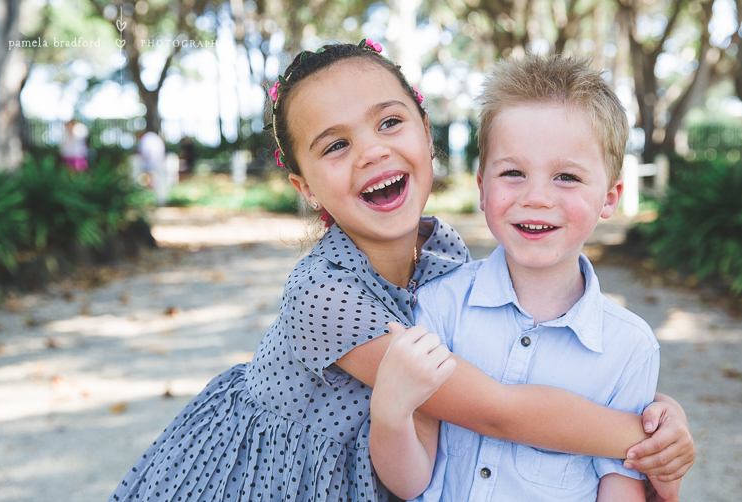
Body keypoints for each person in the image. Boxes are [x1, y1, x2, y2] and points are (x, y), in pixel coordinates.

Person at [109, 42, 694, 502]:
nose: (371, 152)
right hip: (277, 478)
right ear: (306, 188)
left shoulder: (445, 257)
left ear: (426, 134)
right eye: (335, 145)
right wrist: (643, 435)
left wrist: (645, 399)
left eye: (389, 123)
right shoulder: (324, 296)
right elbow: (493, 407)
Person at [369, 55, 688, 502]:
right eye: (513, 173)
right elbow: (410, 481)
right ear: (482, 187)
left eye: (567, 177)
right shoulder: (439, 305)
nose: (537, 198)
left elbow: (622, 491)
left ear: (610, 197)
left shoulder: (630, 349)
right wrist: (388, 411)